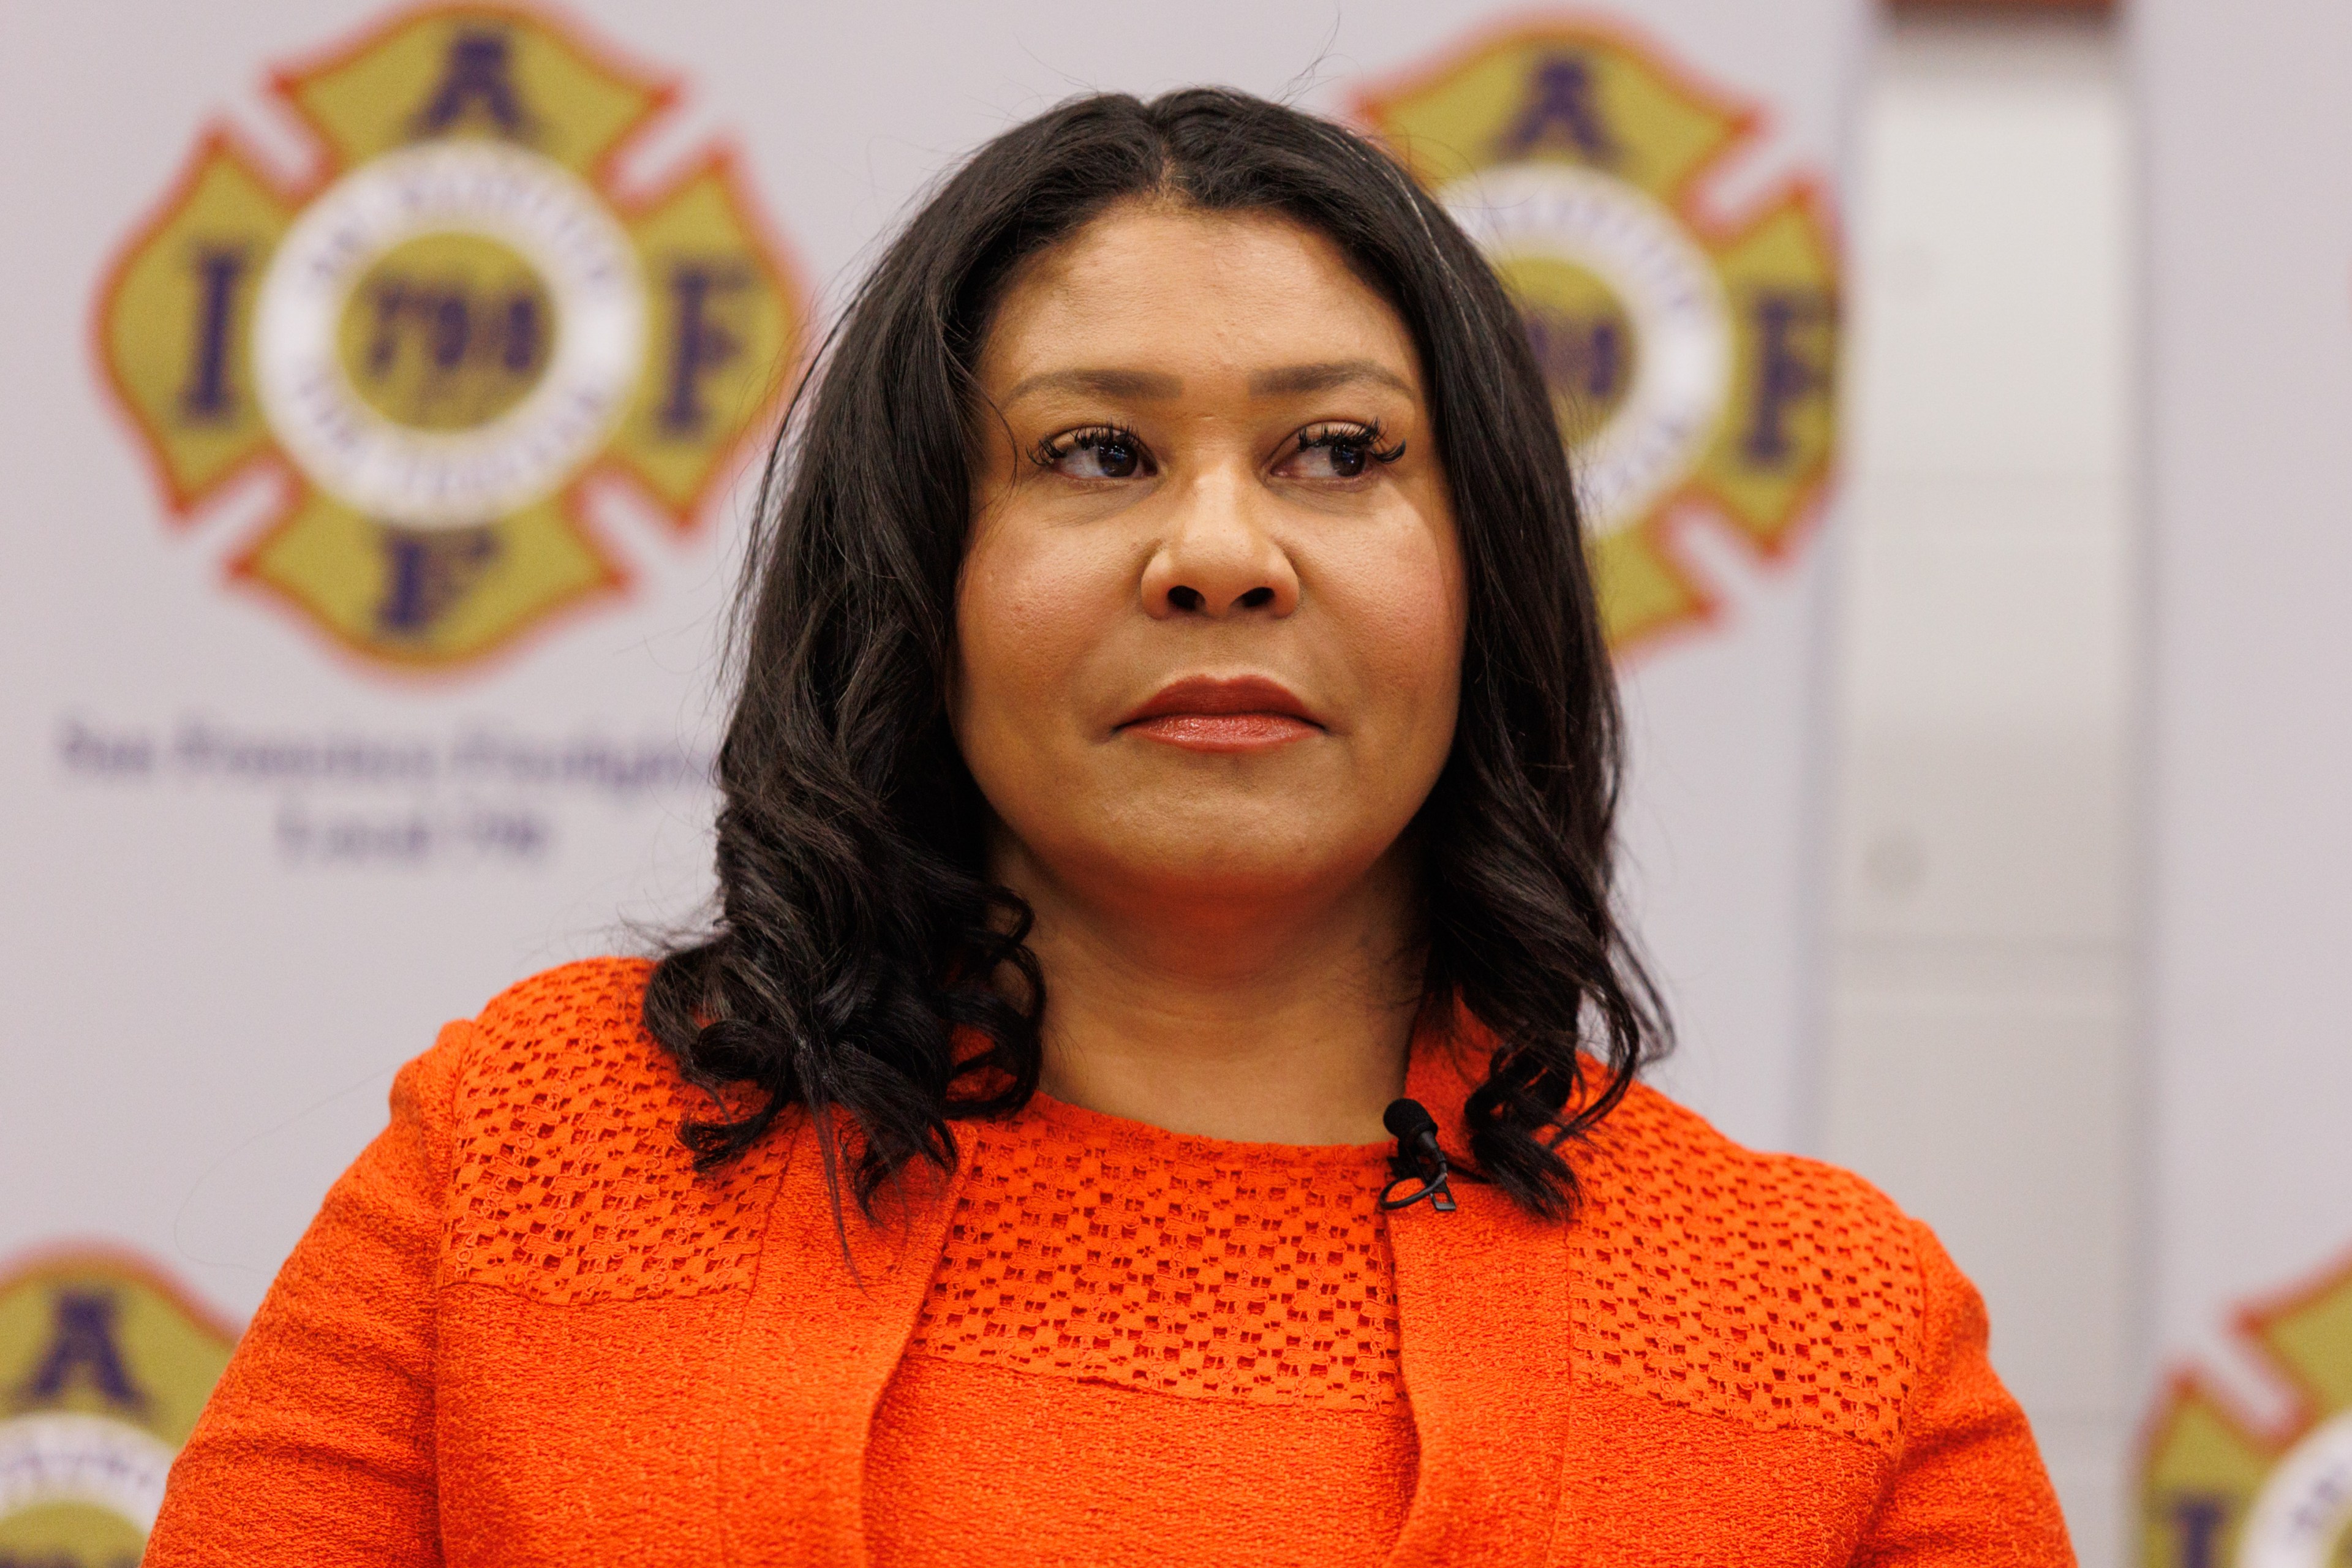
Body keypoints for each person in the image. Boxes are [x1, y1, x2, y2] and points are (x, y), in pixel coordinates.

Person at [145, 88, 2071, 1567]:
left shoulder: (1836, 1336)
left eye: (1338, 453)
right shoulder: (526, 1154)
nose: (1219, 553)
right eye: (1096, 454)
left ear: (1485, 571)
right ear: (919, 572)